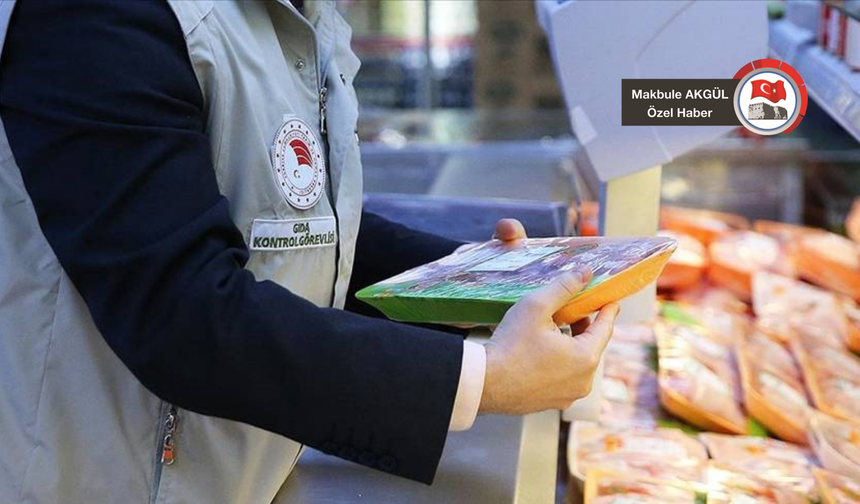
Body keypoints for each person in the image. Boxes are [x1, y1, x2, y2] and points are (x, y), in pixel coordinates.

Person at [0, 0, 619, 502]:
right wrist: (486, 378)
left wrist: (487, 281)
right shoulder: (100, 16)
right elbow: (182, 313)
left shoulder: (299, 16)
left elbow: (299, 226)